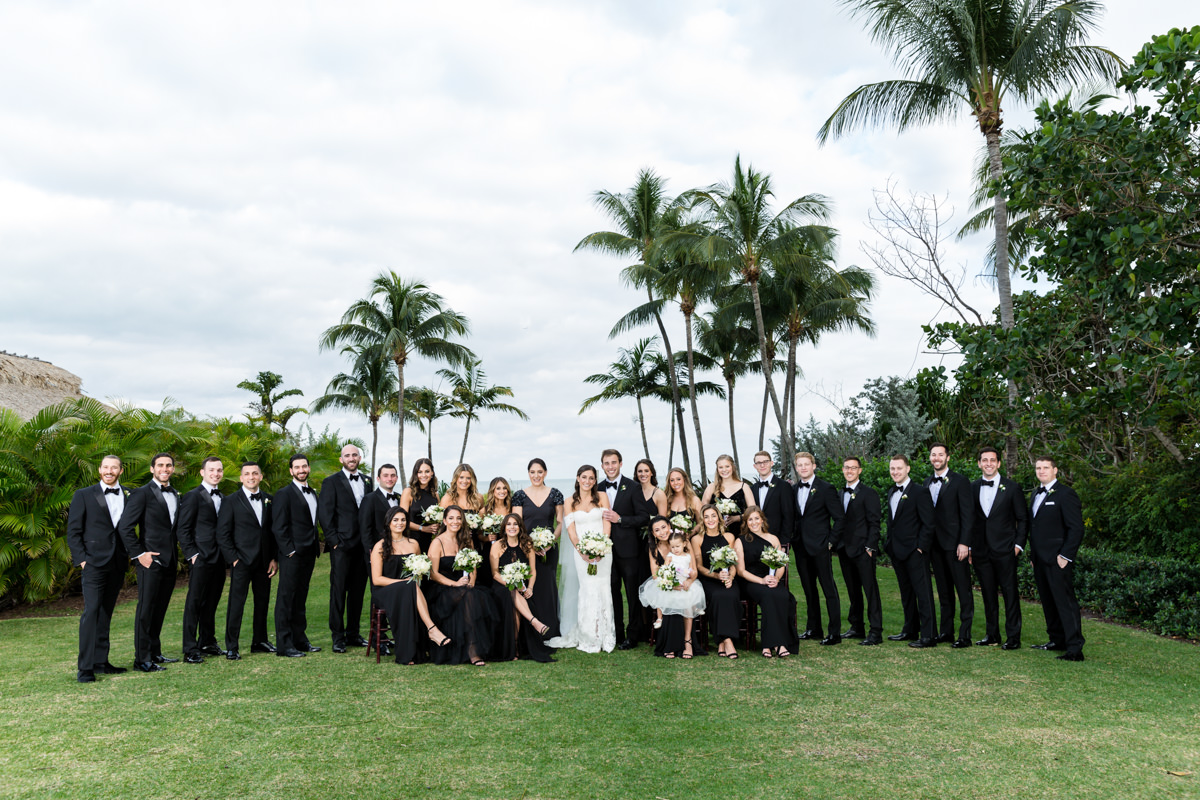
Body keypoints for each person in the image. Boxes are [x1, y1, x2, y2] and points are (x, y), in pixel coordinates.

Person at [66, 455, 130, 682]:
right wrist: (82, 560)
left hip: (118, 563)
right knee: (91, 612)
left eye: (114, 467)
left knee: (105, 613)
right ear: (100, 470)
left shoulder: (130, 494)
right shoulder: (83, 495)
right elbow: (73, 531)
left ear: (121, 471)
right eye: (105, 467)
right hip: (93, 563)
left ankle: (101, 662)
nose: (109, 471)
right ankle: (85, 668)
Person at [118, 452, 181, 672]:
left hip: (170, 561)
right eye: (160, 465)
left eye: (169, 465)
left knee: (160, 609)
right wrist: (140, 554)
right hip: (149, 562)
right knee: (146, 610)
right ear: (152, 469)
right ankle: (142, 659)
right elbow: (125, 527)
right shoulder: (141, 493)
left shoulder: (176, 494)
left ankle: (155, 652)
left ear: (173, 469)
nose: (165, 469)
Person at [547, 465, 616, 654]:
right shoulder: (569, 501)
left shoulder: (602, 497)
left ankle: (605, 635)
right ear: (578, 478)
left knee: (603, 589)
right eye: (584, 477)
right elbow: (571, 531)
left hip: (603, 551)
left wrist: (602, 546)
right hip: (581, 553)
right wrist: (582, 552)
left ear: (595, 480)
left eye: (591, 478)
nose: (587, 481)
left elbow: (607, 524)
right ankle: (589, 635)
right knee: (587, 589)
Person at [370, 506, 449, 665]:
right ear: (388, 522)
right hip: (385, 592)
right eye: (396, 520)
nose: (400, 523)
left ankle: (415, 651)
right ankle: (431, 629)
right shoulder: (380, 546)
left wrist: (417, 576)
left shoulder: (414, 544)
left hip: (410, 590)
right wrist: (403, 583)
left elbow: (419, 573)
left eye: (403, 520)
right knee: (410, 587)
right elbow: (377, 580)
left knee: (415, 589)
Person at [215, 461, 278, 660]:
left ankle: (259, 641)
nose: (251, 477)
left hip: (264, 562)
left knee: (262, 602)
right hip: (241, 561)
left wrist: (273, 558)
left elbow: (272, 531)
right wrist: (233, 559)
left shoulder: (269, 499)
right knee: (236, 604)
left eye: (255, 473)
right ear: (241, 478)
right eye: (247, 474)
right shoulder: (230, 501)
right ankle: (232, 646)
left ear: (261, 477)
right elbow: (222, 533)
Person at [969, 447, 1027, 650]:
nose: (988, 464)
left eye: (992, 460)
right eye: (984, 460)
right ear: (979, 463)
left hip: (1006, 550)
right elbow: (970, 520)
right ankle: (992, 634)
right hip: (981, 551)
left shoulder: (1012, 488)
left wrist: (1018, 546)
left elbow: (1023, 519)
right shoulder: (972, 487)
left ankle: (1013, 637)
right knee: (988, 594)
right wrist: (970, 546)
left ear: (999, 463)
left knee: (1010, 594)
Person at [1028, 456, 1086, 661]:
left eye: (1046, 467)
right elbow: (1035, 527)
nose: (1041, 471)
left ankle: (1075, 648)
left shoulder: (1066, 494)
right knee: (1048, 602)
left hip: (1057, 559)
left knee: (1064, 602)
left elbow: (1076, 528)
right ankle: (1056, 640)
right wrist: (1033, 555)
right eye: (1038, 468)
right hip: (1039, 559)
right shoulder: (1035, 493)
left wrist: (1065, 556)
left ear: (1055, 470)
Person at [318, 444, 372, 653]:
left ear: (359, 458)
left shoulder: (367, 481)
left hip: (363, 547)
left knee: (358, 592)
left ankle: (353, 634)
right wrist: (334, 541)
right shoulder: (331, 482)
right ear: (341, 459)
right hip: (341, 546)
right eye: (347, 455)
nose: (351, 458)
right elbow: (325, 514)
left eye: (354, 455)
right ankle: (338, 637)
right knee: (338, 591)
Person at [427, 505, 496, 665]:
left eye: (458, 518)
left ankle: (473, 648)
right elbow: (433, 573)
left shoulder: (466, 540)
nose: (455, 521)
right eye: (451, 518)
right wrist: (455, 584)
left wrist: (471, 582)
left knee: (474, 595)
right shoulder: (437, 542)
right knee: (468, 596)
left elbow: (473, 567)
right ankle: (472, 651)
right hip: (444, 587)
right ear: (445, 521)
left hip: (465, 585)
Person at [177, 456, 228, 663]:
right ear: (202, 472)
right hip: (200, 557)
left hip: (219, 558)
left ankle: (207, 641)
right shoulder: (192, 496)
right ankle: (190, 648)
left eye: (219, 470)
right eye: (211, 470)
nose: (216, 473)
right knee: (194, 603)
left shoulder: (223, 497)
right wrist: (192, 555)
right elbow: (183, 529)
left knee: (212, 602)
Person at [883, 455, 937, 648]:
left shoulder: (920, 492)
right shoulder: (891, 491)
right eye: (892, 468)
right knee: (906, 593)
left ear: (908, 469)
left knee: (923, 594)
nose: (895, 472)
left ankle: (928, 635)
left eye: (899, 468)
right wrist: (889, 544)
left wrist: (920, 547)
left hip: (915, 551)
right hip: (897, 551)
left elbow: (929, 523)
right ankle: (910, 629)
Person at [599, 449, 650, 650]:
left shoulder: (633, 487)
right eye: (607, 463)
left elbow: (643, 517)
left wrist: (620, 519)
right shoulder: (597, 488)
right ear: (602, 465)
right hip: (604, 551)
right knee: (612, 593)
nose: (610, 466)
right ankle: (617, 632)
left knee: (631, 594)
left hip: (629, 551)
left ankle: (633, 635)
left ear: (620, 464)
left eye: (614, 462)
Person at [925, 443, 976, 648]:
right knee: (944, 591)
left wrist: (965, 543)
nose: (936, 458)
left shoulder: (960, 481)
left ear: (948, 458)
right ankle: (946, 632)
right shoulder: (927, 482)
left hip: (956, 545)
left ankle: (964, 635)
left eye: (940, 455)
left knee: (963, 590)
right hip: (935, 546)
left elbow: (968, 515)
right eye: (933, 455)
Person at [272, 454, 322, 658]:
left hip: (309, 553)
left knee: (300, 598)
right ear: (291, 471)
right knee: (286, 598)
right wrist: (289, 551)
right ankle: (284, 645)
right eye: (297, 467)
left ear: (308, 468)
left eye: (304, 466)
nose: (301, 470)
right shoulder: (283, 494)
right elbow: (278, 526)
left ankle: (300, 639)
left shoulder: (313, 493)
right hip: (292, 554)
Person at [791, 452, 844, 645]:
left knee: (829, 589)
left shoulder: (826, 489)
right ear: (796, 468)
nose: (803, 468)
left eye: (806, 464)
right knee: (809, 589)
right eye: (800, 465)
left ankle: (834, 633)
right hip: (800, 547)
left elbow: (840, 518)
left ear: (813, 466)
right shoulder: (793, 489)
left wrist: (830, 542)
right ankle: (814, 629)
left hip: (821, 547)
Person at [488, 513, 554, 662]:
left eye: (515, 524)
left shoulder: (527, 544)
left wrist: (529, 588)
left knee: (515, 605)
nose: (512, 527)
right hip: (501, 586)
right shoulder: (497, 545)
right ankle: (534, 622)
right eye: (509, 524)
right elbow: (495, 574)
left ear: (520, 527)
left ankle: (515, 648)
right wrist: (510, 584)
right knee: (510, 593)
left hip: (521, 586)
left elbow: (532, 571)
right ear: (504, 528)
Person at [512, 458, 564, 639]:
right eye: (532, 472)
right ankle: (532, 632)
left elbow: (560, 523)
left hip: (549, 550)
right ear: (528, 474)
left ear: (545, 473)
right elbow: (517, 524)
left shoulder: (555, 494)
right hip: (526, 549)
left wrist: (550, 543)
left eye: (540, 472)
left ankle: (551, 630)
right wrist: (529, 545)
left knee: (547, 586)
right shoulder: (519, 495)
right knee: (528, 587)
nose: (536, 475)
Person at [639, 525, 704, 659]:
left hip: (685, 584)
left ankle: (688, 641)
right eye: (657, 530)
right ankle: (661, 622)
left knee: (689, 600)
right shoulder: (666, 554)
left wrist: (690, 580)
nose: (675, 549)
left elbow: (693, 571)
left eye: (664, 527)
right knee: (664, 597)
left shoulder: (686, 554)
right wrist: (670, 583)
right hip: (670, 583)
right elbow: (661, 572)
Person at [837, 457, 883, 646]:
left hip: (864, 550)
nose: (849, 471)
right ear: (843, 470)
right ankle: (856, 626)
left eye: (853, 468)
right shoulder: (840, 493)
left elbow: (875, 522)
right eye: (847, 468)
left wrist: (870, 547)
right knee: (853, 591)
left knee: (870, 591)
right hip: (844, 550)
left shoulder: (869, 493)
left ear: (860, 470)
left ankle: (876, 631)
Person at [737, 507, 794, 658]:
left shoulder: (773, 539)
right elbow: (740, 571)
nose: (754, 522)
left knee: (783, 595)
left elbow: (781, 564)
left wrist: (776, 579)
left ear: (762, 520)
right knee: (768, 595)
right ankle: (772, 644)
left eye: (756, 518)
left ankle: (777, 643)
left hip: (771, 579)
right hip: (751, 581)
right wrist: (761, 581)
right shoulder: (740, 541)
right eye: (750, 519)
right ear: (746, 523)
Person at [693, 504, 742, 659]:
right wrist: (716, 576)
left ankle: (721, 641)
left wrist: (731, 577)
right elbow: (699, 567)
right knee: (718, 596)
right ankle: (727, 641)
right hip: (709, 579)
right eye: (706, 517)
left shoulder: (729, 537)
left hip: (728, 578)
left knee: (731, 595)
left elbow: (734, 563)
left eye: (713, 516)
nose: (710, 520)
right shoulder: (697, 539)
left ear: (719, 518)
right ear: (702, 520)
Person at [701, 454, 754, 535]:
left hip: (740, 532)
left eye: (727, 466)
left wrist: (737, 518)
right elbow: (702, 511)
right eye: (720, 467)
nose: (724, 470)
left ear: (733, 467)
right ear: (717, 469)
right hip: (716, 532)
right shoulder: (711, 487)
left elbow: (753, 511)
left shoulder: (744, 487)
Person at [749, 451, 794, 547]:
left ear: (771, 463)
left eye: (765, 462)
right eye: (759, 463)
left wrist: (784, 543)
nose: (762, 465)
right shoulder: (752, 489)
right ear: (755, 466)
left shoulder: (784, 486)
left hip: (777, 540)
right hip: (755, 540)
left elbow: (789, 516)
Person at [359, 463, 401, 557]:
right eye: (385, 476)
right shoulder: (369, 499)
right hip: (379, 550)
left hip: (399, 549)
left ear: (396, 478)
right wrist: (370, 553)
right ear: (378, 479)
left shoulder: (400, 498)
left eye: (392, 475)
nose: (389, 479)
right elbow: (365, 529)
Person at [400, 458, 440, 552]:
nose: (423, 475)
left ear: (432, 473)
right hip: (413, 541)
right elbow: (402, 520)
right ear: (416, 474)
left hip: (432, 541)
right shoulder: (408, 492)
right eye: (420, 472)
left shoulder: (435, 494)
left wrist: (437, 526)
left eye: (427, 471)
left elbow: (440, 518)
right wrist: (423, 528)